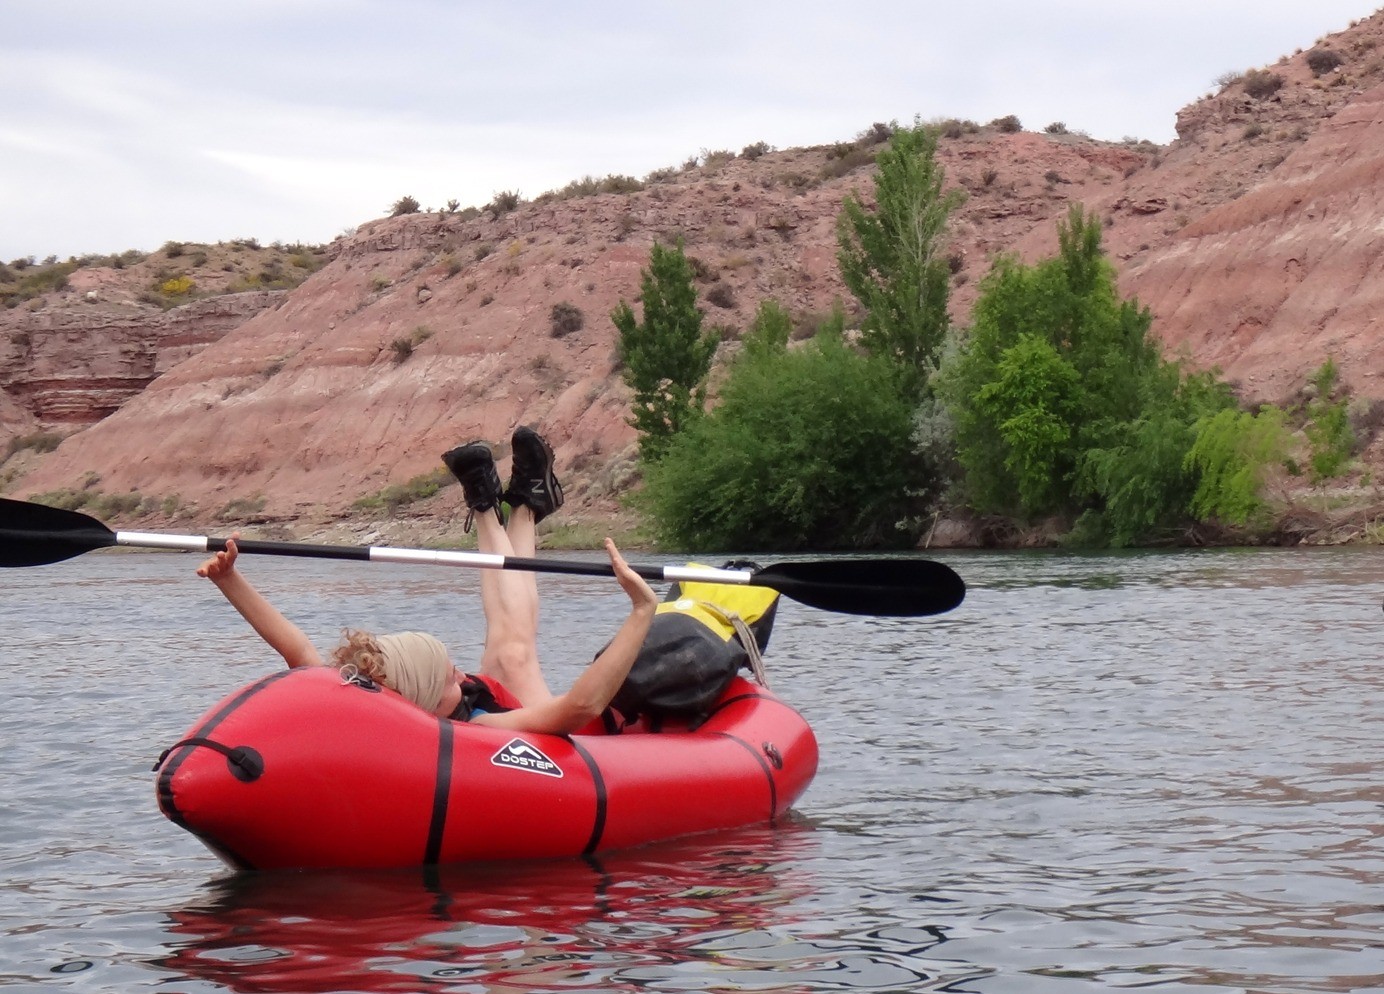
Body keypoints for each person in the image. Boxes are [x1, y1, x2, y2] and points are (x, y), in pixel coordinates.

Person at [196, 426, 658, 735]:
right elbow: (580, 709)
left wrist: (230, 581)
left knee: (509, 643)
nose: (463, 672)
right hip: (527, 723)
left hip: (489, 698)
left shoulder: (373, 698)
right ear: (423, 701)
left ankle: (514, 505)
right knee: (514, 650)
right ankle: (509, 506)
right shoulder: (473, 728)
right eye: (448, 677)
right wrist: (641, 611)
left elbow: (297, 652)